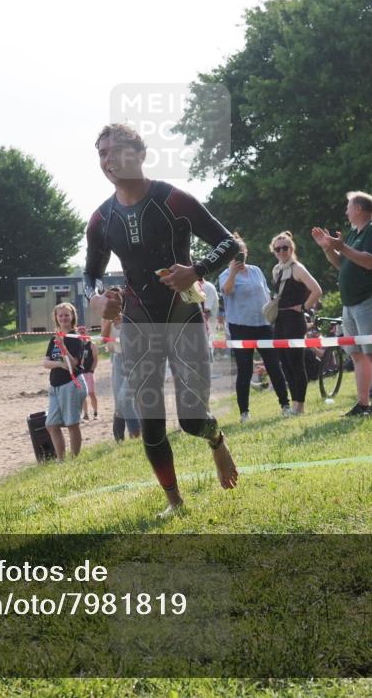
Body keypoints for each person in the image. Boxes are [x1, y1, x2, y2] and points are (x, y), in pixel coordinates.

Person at [84, 123, 239, 517]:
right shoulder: (101, 220)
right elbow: (90, 276)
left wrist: (197, 270)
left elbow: (230, 242)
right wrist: (98, 298)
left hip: (183, 317)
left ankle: (216, 437)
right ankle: (174, 502)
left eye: (117, 150)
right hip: (137, 325)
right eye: (102, 153)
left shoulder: (173, 200)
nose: (109, 159)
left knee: (190, 419)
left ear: (140, 154)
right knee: (150, 419)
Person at [311, 191, 372, 416]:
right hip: (351, 303)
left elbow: (369, 262)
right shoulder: (354, 233)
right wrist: (328, 248)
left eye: (348, 206)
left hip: (369, 300)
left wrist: (341, 246)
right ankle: (363, 403)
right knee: (356, 354)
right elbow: (341, 264)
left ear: (359, 209)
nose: (345, 210)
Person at [218, 233, 294, 421]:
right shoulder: (225, 275)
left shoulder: (256, 271)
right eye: (235, 254)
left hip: (263, 325)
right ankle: (244, 412)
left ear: (246, 253)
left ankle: (285, 405)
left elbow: (266, 294)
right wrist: (233, 273)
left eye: (241, 252)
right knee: (244, 371)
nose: (239, 257)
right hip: (240, 328)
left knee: (274, 366)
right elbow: (226, 291)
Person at [268, 231, 323, 415]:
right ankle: (294, 404)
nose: (282, 251)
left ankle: (300, 406)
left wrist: (304, 307)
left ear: (292, 249)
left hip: (294, 320)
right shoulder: (276, 269)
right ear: (273, 251)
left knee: (296, 364)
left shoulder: (297, 268)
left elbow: (317, 290)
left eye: (285, 248)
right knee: (285, 364)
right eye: (278, 248)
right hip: (280, 321)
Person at [43, 303, 87, 460]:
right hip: (55, 386)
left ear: (72, 316)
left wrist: (63, 348)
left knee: (71, 424)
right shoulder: (54, 338)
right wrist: (59, 364)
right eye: (60, 315)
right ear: (56, 317)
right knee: (51, 425)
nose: (63, 318)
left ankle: (74, 459)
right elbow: (45, 362)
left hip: (71, 384)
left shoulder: (76, 338)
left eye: (67, 315)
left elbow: (73, 364)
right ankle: (61, 460)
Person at [101, 314, 141, 442]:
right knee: (119, 405)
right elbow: (105, 340)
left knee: (126, 399)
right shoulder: (106, 316)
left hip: (135, 359)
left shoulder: (131, 313)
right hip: (117, 359)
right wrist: (109, 321)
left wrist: (125, 319)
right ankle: (119, 441)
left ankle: (136, 435)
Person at [77, 325, 99, 420]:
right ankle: (85, 414)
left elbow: (95, 358)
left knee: (91, 393)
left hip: (88, 372)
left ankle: (95, 413)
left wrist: (92, 370)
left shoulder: (91, 344)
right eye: (79, 330)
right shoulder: (77, 345)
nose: (82, 331)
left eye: (83, 330)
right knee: (82, 395)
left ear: (86, 331)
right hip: (80, 373)